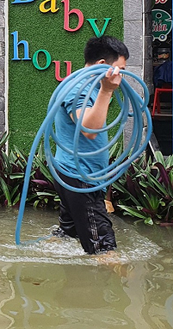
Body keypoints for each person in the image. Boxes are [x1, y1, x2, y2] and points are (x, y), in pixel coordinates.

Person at [52, 35, 128, 255]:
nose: (121, 74)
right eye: (120, 69)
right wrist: (107, 91)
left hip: (77, 172)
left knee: (68, 234)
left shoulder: (87, 85)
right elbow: (88, 130)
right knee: (104, 248)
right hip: (80, 176)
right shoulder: (79, 89)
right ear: (103, 65)